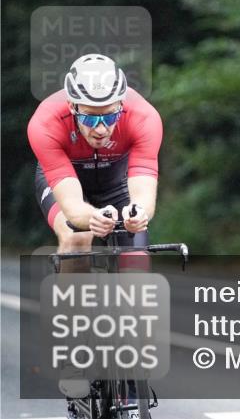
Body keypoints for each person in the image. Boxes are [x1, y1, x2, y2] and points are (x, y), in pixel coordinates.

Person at [27, 54, 162, 418]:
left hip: (118, 182)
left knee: (136, 265)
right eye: (89, 117)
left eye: (109, 116)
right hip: (67, 180)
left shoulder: (144, 117)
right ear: (72, 107)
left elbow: (143, 193)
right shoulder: (45, 122)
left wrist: (137, 215)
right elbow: (73, 208)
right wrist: (91, 219)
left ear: (122, 104)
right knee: (77, 238)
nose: (100, 128)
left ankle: (132, 378)